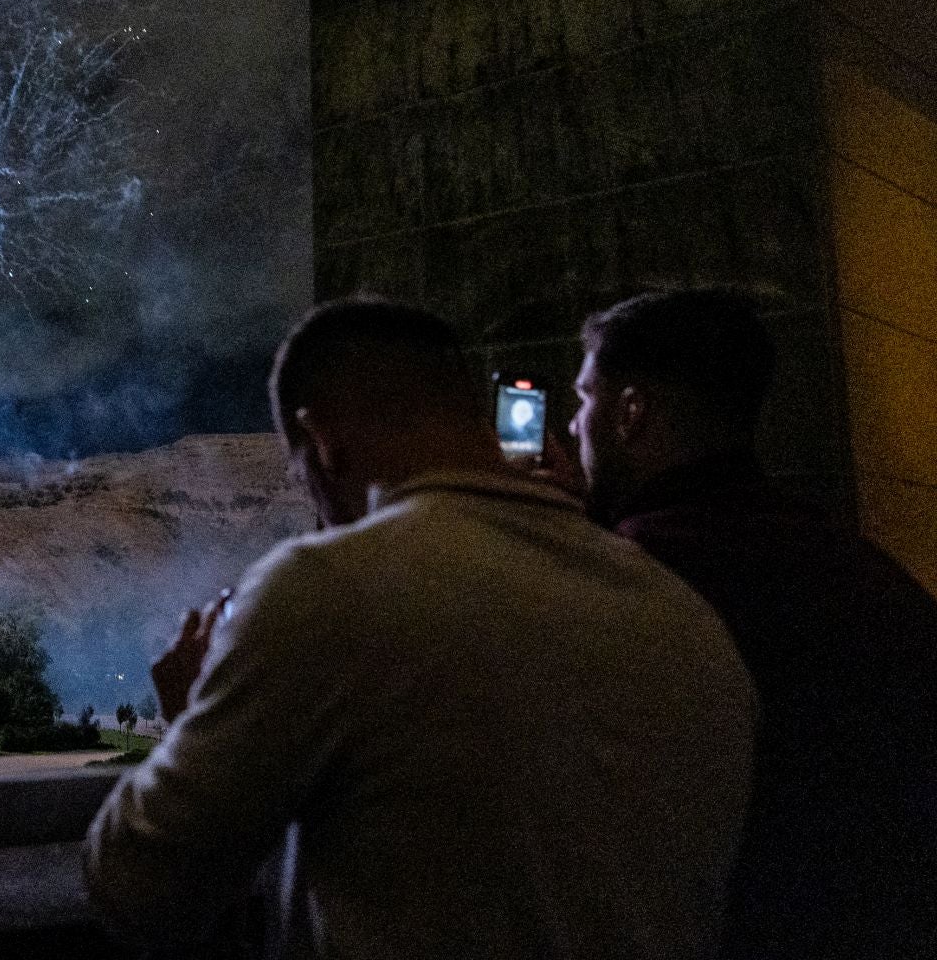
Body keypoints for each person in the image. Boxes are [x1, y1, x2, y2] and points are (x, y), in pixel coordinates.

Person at [85, 298, 757, 959]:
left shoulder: (326, 590)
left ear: (323, 442)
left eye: (302, 474)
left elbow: (139, 891)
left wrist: (190, 721)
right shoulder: (682, 616)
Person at [569, 289, 937, 958]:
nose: (570, 428)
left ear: (631, 412)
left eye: (584, 399)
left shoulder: (632, 573)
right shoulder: (857, 562)